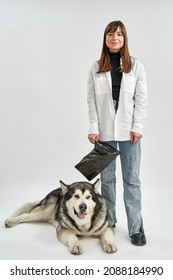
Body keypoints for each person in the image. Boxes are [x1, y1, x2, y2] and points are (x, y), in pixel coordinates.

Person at [87, 20, 148, 246]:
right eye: (111, 34)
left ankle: (135, 227)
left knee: (131, 180)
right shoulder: (95, 67)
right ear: (105, 39)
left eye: (119, 35)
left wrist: (137, 127)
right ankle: (109, 222)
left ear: (124, 39)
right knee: (107, 180)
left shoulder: (136, 66)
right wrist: (94, 128)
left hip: (129, 132)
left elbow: (141, 99)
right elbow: (91, 100)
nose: (115, 38)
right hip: (104, 132)